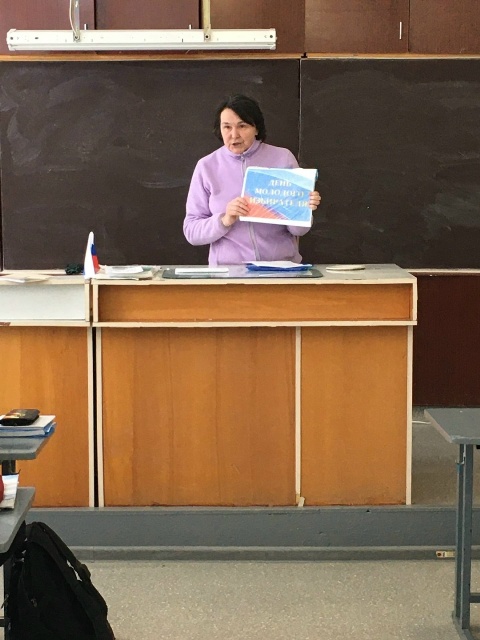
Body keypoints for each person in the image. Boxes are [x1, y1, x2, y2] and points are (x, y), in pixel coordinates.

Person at [184, 94, 321, 266]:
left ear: (256, 128)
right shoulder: (207, 166)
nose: (234, 135)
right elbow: (192, 232)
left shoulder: (283, 158)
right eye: (227, 127)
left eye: (242, 126)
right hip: (228, 273)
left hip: (280, 270)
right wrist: (224, 220)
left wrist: (302, 209)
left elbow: (299, 231)